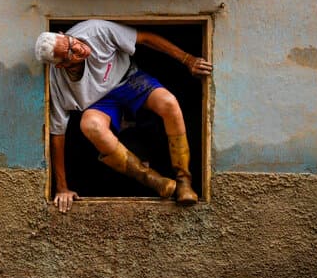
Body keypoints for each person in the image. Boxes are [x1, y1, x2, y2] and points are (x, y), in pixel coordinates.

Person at [34, 20, 212, 213]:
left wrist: (188, 60)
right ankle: (155, 181)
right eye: (70, 54)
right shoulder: (58, 82)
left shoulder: (96, 31)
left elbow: (143, 37)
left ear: (63, 33)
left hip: (129, 79)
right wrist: (61, 188)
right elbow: (57, 133)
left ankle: (184, 180)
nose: (78, 49)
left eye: (71, 42)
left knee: (169, 102)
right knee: (90, 124)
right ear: (60, 66)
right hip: (99, 102)